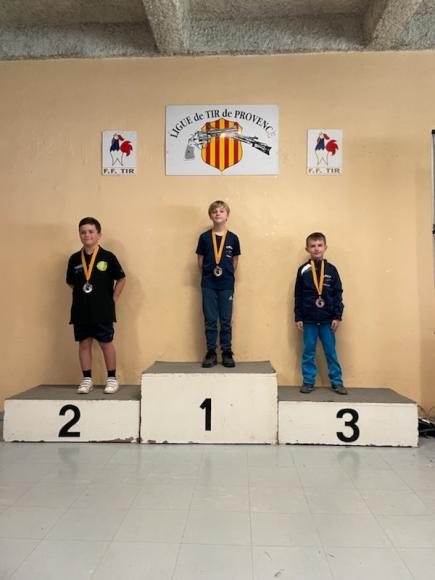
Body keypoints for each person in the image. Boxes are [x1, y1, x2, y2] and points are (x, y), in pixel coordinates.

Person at [66, 217, 126, 394]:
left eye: (91, 231)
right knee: (84, 343)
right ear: (79, 235)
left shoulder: (108, 257)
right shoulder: (74, 258)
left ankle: (112, 378)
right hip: (81, 310)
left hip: (103, 310)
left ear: (99, 235)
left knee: (106, 343)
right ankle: (87, 379)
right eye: (83, 232)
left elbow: (122, 278)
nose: (87, 235)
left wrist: (112, 300)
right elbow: (70, 282)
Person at [294, 232, 347, 395]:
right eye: (312, 246)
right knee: (308, 351)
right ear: (307, 248)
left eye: (319, 245)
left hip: (327, 320)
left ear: (325, 247)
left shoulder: (331, 269)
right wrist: (299, 317)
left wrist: (337, 316)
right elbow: (298, 294)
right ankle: (309, 381)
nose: (316, 249)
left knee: (330, 351)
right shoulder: (303, 270)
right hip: (309, 320)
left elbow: (338, 293)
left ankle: (337, 382)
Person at [196, 201, 241, 368]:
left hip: (226, 284)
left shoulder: (233, 238)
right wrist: (209, 275)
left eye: (221, 211)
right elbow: (200, 262)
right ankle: (211, 352)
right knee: (210, 319)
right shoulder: (205, 238)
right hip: (208, 283)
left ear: (227, 215)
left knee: (226, 319)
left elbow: (235, 261)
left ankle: (227, 352)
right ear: (210, 215)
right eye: (214, 211)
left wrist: (226, 275)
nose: (218, 214)